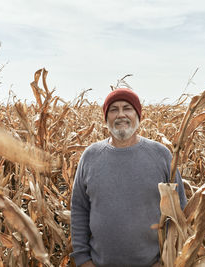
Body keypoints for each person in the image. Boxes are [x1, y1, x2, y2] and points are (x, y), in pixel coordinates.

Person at [70, 88, 187, 267]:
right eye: (114, 109)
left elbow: (179, 212)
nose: (121, 115)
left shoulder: (161, 155)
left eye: (127, 108)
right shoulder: (90, 156)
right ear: (106, 117)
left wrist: (166, 259)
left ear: (138, 115)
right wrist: (82, 259)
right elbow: (79, 209)